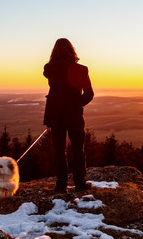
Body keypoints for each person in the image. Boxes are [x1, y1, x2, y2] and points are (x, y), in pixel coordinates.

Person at [43, 38, 94, 192]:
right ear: (72, 50)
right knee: (78, 149)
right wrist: (78, 104)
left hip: (55, 115)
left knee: (59, 151)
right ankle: (80, 183)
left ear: (54, 51)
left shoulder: (49, 68)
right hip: (74, 115)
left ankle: (61, 185)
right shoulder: (82, 69)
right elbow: (89, 94)